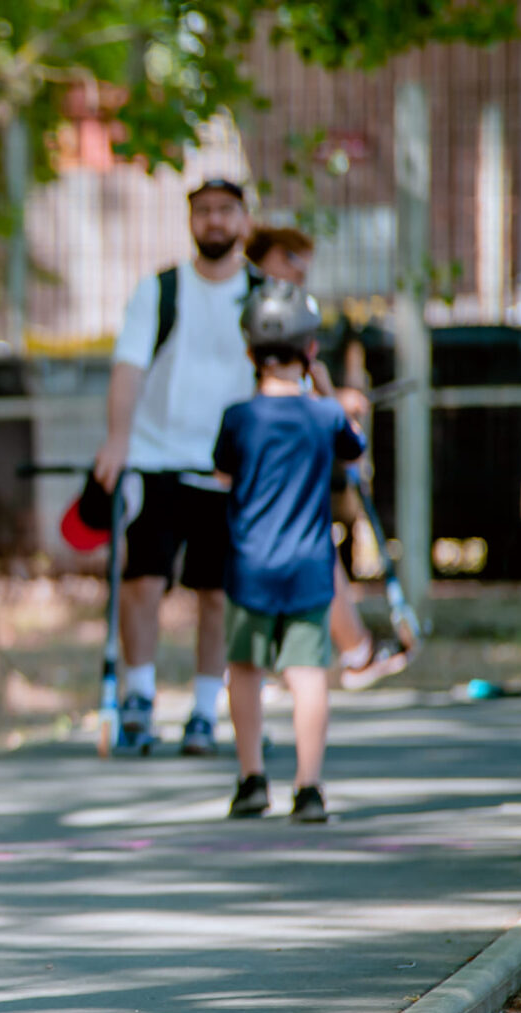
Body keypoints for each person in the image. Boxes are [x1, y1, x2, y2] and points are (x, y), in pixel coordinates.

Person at [93, 179, 256, 756]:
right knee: (143, 582)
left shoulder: (263, 294)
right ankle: (138, 697)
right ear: (191, 221)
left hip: (227, 471)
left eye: (225, 211)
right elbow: (128, 367)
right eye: (204, 211)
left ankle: (206, 710)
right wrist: (118, 440)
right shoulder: (160, 291)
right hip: (155, 458)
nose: (214, 221)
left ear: (243, 219)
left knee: (216, 596)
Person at [214, 281, 366, 823]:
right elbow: (352, 449)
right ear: (309, 351)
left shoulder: (239, 418)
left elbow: (224, 472)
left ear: (250, 352)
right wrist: (333, 394)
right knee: (307, 674)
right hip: (308, 565)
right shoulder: (323, 417)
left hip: (249, 563)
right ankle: (309, 787)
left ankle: (252, 778)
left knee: (246, 670)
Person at [244, 226, 406, 690]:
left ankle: (346, 652)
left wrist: (336, 404)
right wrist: (334, 407)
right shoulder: (258, 310)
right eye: (290, 256)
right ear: (266, 257)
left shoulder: (287, 311)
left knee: (308, 548)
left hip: (287, 464)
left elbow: (311, 380)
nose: (300, 268)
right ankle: (326, 656)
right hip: (263, 464)